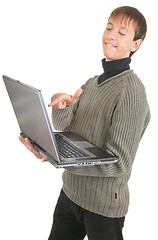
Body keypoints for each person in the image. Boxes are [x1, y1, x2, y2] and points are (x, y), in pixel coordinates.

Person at [19, 6, 151, 240]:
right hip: (70, 194)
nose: (111, 34)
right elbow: (69, 130)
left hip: (103, 208)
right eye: (109, 27)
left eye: (122, 32)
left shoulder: (131, 91)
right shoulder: (92, 83)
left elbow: (119, 163)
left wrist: (63, 160)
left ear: (135, 44)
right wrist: (63, 109)